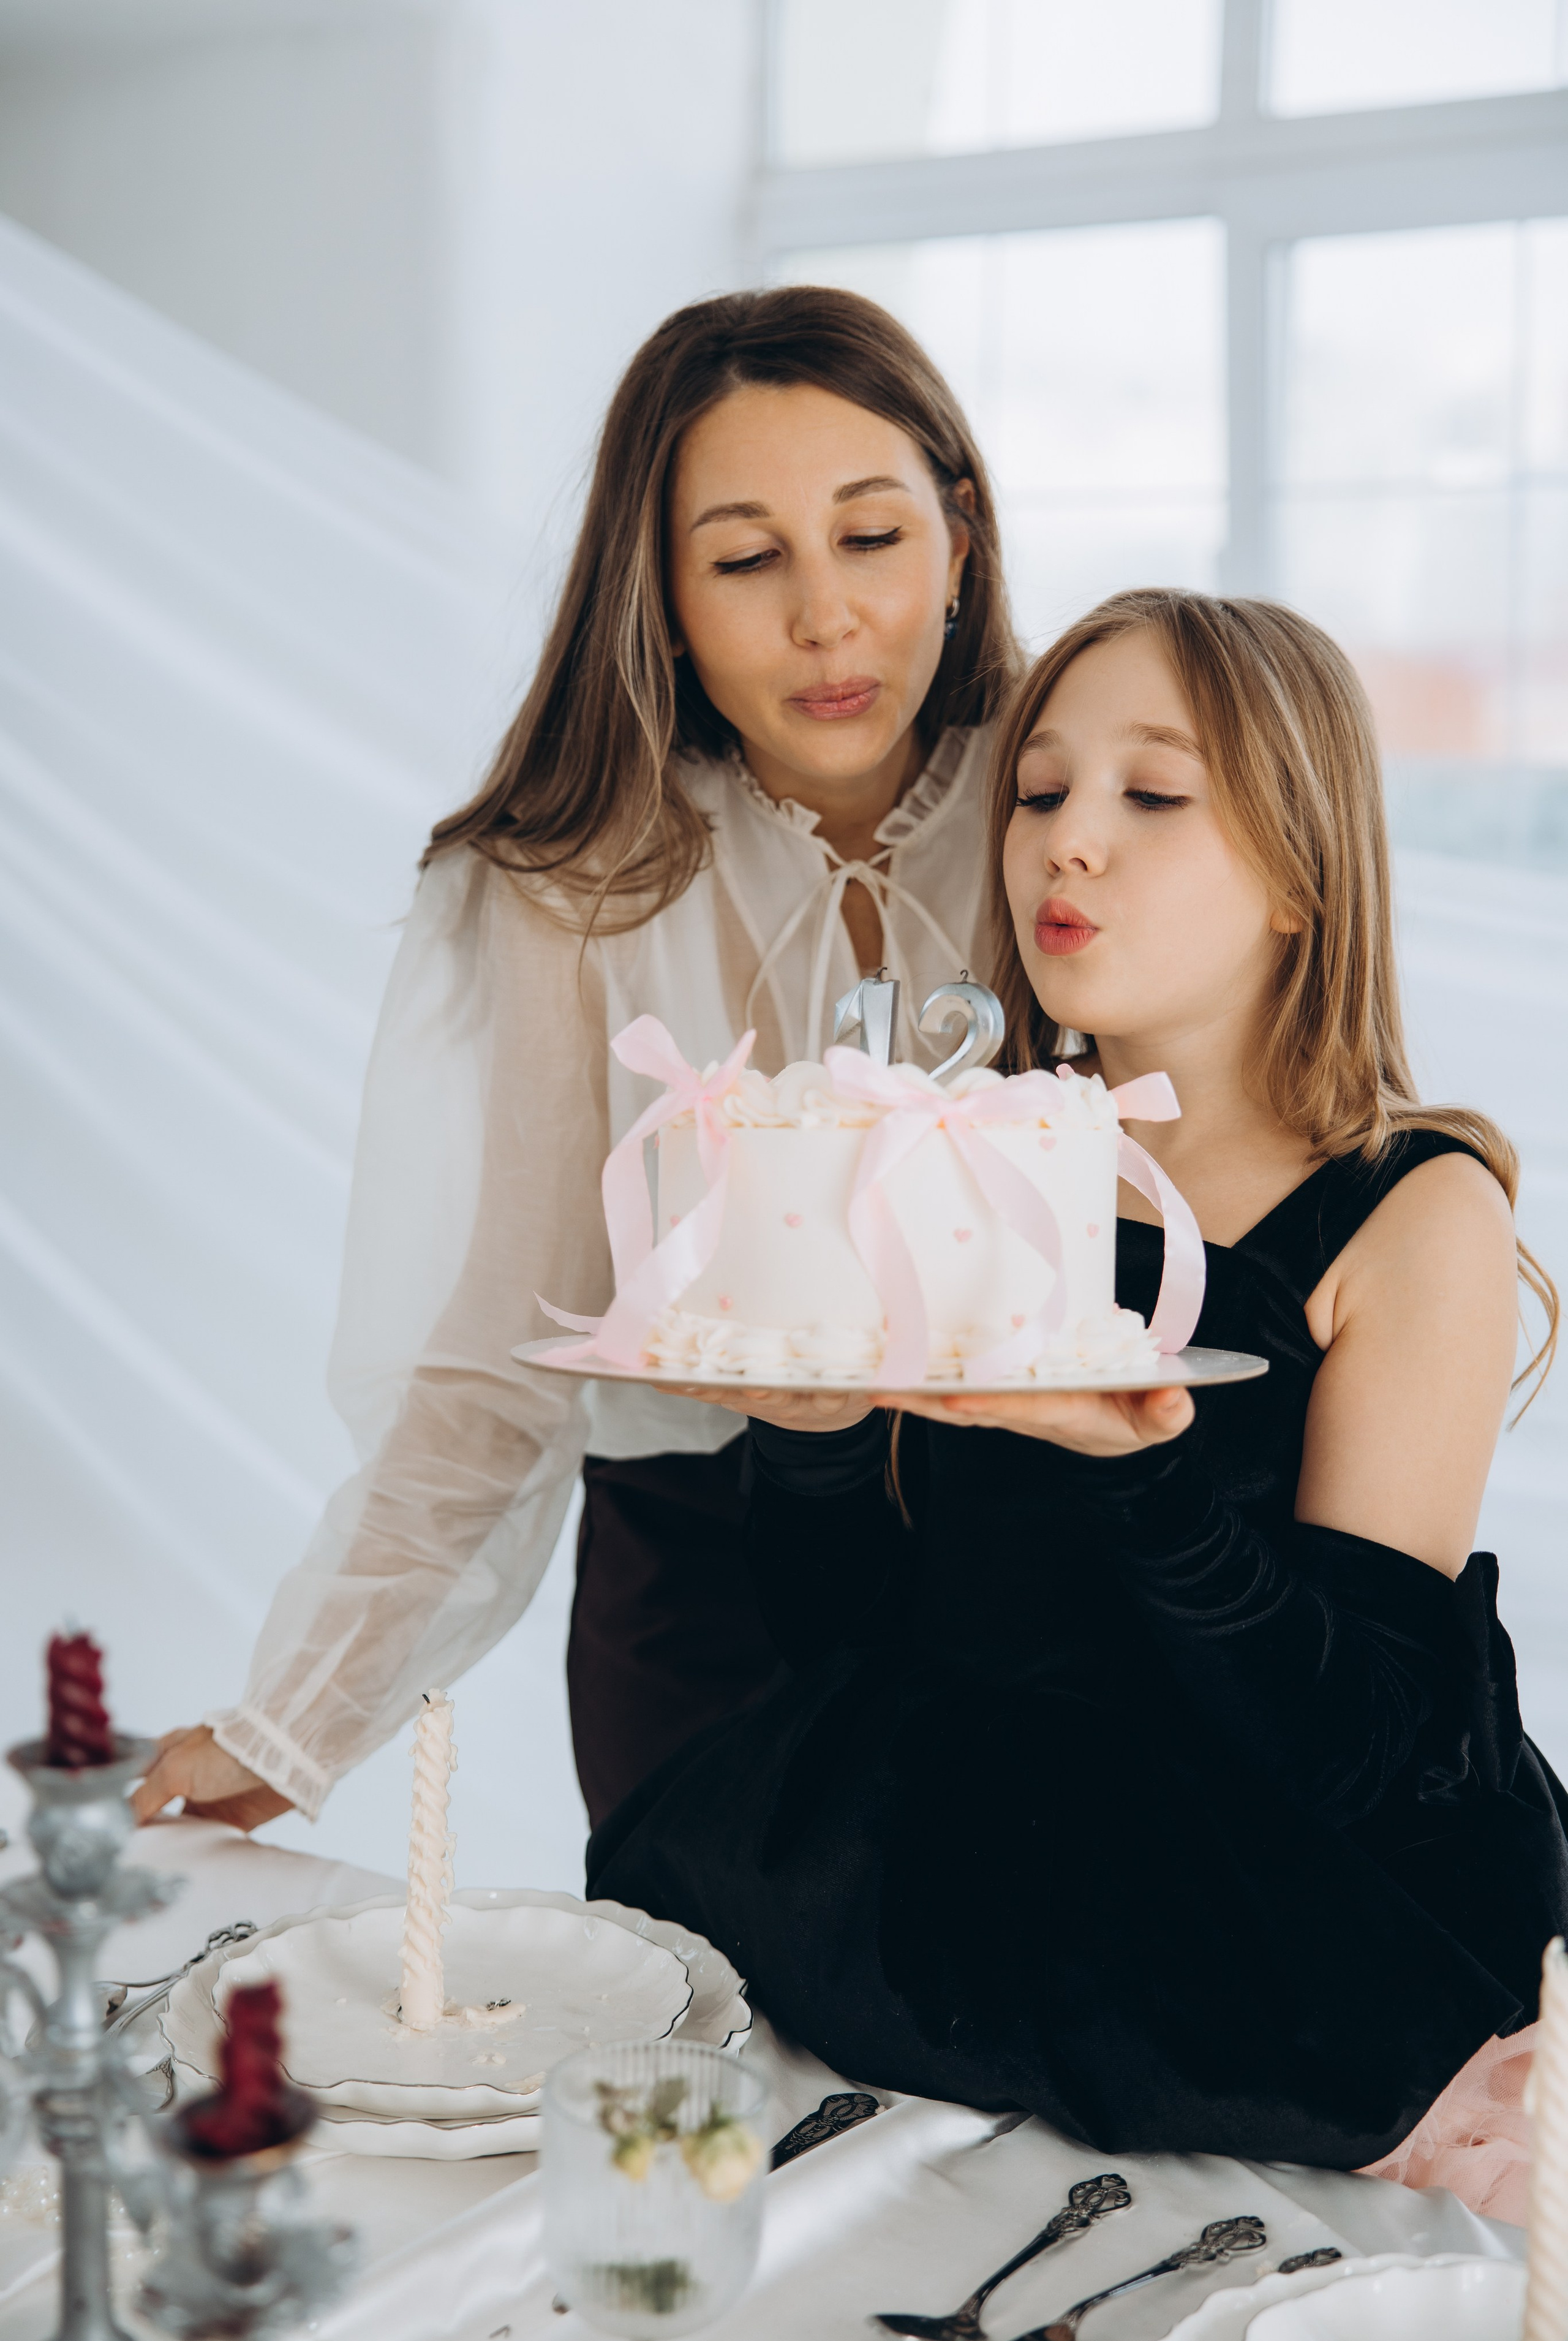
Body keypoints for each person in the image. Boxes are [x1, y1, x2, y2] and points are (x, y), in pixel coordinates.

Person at [586, 588, 1568, 2167]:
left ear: (1301, 880)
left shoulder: (1410, 1208)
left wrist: (1146, 1474)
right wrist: (817, 1439)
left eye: (1150, 795)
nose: (1065, 840)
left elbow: (1363, 1748)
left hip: (1263, 1918)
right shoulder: (973, 1152)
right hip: (953, 1877)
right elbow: (859, 1637)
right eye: (1039, 791)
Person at [133, 287, 1020, 1838]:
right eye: (746, 559)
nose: (823, 616)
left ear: (956, 531)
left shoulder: (1093, 796)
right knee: (698, 2069)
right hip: (703, 1598)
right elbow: (497, 1354)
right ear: (661, 594)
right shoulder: (576, 879)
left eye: (869, 538)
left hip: (1048, 1578)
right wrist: (295, 1719)